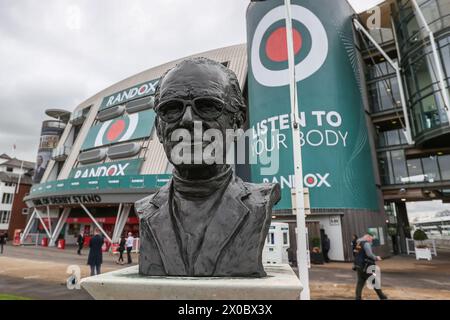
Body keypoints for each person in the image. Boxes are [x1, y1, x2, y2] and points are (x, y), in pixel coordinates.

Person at [135, 57, 281, 277]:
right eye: (171, 108)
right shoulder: (145, 210)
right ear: (158, 127)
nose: (187, 119)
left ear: (237, 122)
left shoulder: (259, 201)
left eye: (207, 106)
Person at [354, 234, 388, 300]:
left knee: (360, 282)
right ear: (367, 238)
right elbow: (369, 254)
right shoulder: (366, 244)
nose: (371, 240)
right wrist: (376, 258)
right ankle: (382, 296)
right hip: (366, 266)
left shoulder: (358, 243)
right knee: (374, 281)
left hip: (358, 265)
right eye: (371, 239)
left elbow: (355, 253)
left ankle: (358, 297)